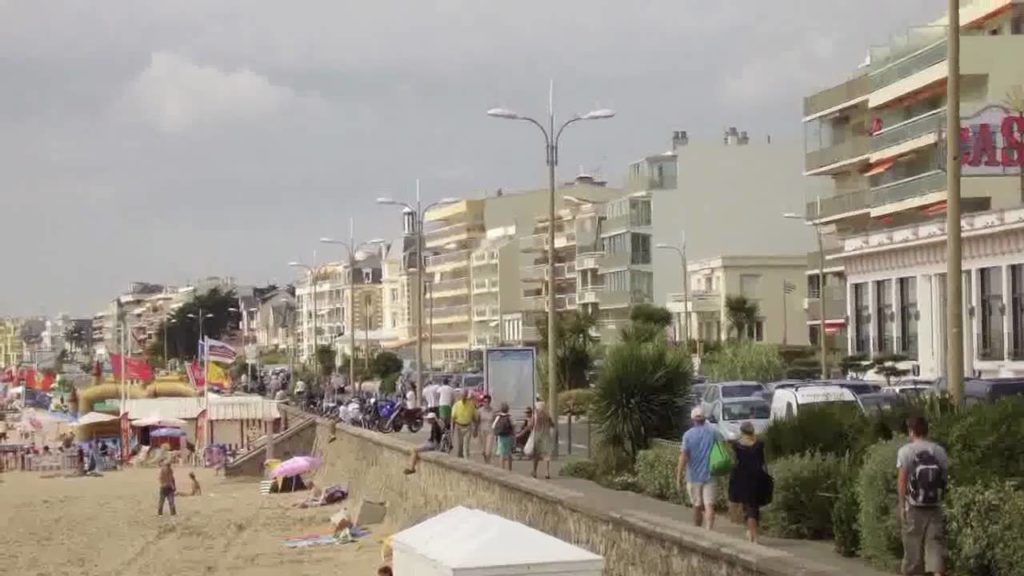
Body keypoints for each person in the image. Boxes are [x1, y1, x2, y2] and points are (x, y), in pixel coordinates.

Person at [897, 416, 949, 576]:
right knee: (935, 548)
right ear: (927, 431)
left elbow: (902, 481)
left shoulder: (905, 451)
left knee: (912, 551)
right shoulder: (939, 451)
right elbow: (944, 478)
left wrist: (901, 505)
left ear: (911, 431)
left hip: (913, 506)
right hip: (934, 506)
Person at [676, 407, 719, 529]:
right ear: (705, 419)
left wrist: (678, 476)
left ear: (692, 419)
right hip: (710, 475)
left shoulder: (688, 435)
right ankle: (709, 530)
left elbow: (683, 456)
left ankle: (697, 530)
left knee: (697, 505)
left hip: (693, 476)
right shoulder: (712, 433)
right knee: (709, 505)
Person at [729, 421, 769, 543]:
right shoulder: (759, 444)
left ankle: (753, 534)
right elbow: (763, 462)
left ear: (742, 431)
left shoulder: (737, 446)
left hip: (742, 477)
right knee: (754, 505)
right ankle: (752, 532)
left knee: (748, 505)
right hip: (757, 477)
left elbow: (734, 462)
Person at [529, 402, 554, 479]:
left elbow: (530, 425)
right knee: (547, 454)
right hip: (546, 436)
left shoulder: (535, 415)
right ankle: (547, 472)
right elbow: (553, 425)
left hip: (537, 436)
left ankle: (535, 471)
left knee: (536, 455)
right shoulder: (547, 416)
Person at [451, 391, 476, 459]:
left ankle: (466, 462)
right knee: (460, 446)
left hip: (468, 427)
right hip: (459, 427)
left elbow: (474, 417)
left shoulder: (471, 405)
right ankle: (460, 462)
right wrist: (452, 431)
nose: (463, 397)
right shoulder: (456, 405)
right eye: (462, 396)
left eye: (465, 395)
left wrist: (475, 429)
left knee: (466, 447)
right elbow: (453, 418)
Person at [492, 402, 515, 471]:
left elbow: (493, 426)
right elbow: (514, 425)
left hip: (501, 437)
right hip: (509, 436)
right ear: (508, 409)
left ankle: (502, 469)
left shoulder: (498, 417)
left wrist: (497, 432)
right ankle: (509, 469)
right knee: (509, 453)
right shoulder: (509, 417)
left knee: (501, 453)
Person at [477, 395, 496, 464]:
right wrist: (475, 430)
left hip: (490, 432)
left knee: (488, 451)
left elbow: (495, 422)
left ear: (490, 402)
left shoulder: (493, 411)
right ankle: (486, 462)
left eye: (488, 402)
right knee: (483, 451)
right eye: (485, 402)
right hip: (482, 432)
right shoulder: (480, 411)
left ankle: (488, 463)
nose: (486, 403)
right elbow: (477, 421)